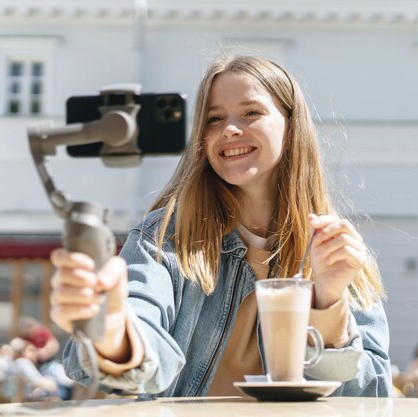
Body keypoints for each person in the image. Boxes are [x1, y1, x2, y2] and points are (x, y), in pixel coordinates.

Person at [50, 55, 391, 397]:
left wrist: (328, 301)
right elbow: (138, 322)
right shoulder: (164, 237)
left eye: (251, 113)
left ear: (291, 125)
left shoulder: (335, 248)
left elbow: (371, 394)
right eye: (214, 119)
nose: (229, 129)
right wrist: (113, 333)